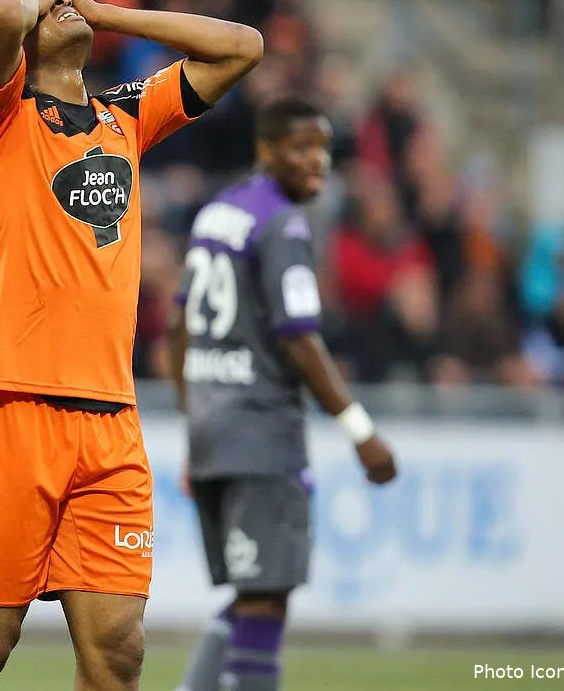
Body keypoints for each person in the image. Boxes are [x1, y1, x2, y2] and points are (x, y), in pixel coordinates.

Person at [0, 0, 264, 691]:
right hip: (13, 404)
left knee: (118, 650)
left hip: (110, 418)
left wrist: (106, 13)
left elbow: (241, 47)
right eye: (50, 5)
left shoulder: (125, 115)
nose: (61, 5)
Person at [166, 99, 399, 691]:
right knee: (266, 602)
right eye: (300, 147)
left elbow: (176, 330)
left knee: (251, 596)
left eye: (322, 148)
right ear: (266, 150)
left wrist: (195, 426)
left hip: (216, 432)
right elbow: (299, 341)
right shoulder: (284, 225)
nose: (316, 161)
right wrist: (361, 432)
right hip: (261, 437)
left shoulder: (217, 214)